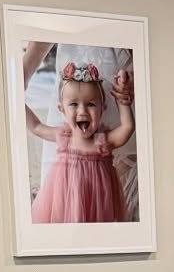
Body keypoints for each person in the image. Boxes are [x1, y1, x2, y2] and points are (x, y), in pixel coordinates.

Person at [24, 60, 134, 223]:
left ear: (102, 107)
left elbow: (127, 127)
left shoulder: (102, 141)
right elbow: (36, 126)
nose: (82, 111)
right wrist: (15, 98)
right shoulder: (64, 137)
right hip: (65, 203)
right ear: (61, 109)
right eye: (73, 104)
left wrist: (122, 101)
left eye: (90, 104)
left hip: (97, 207)